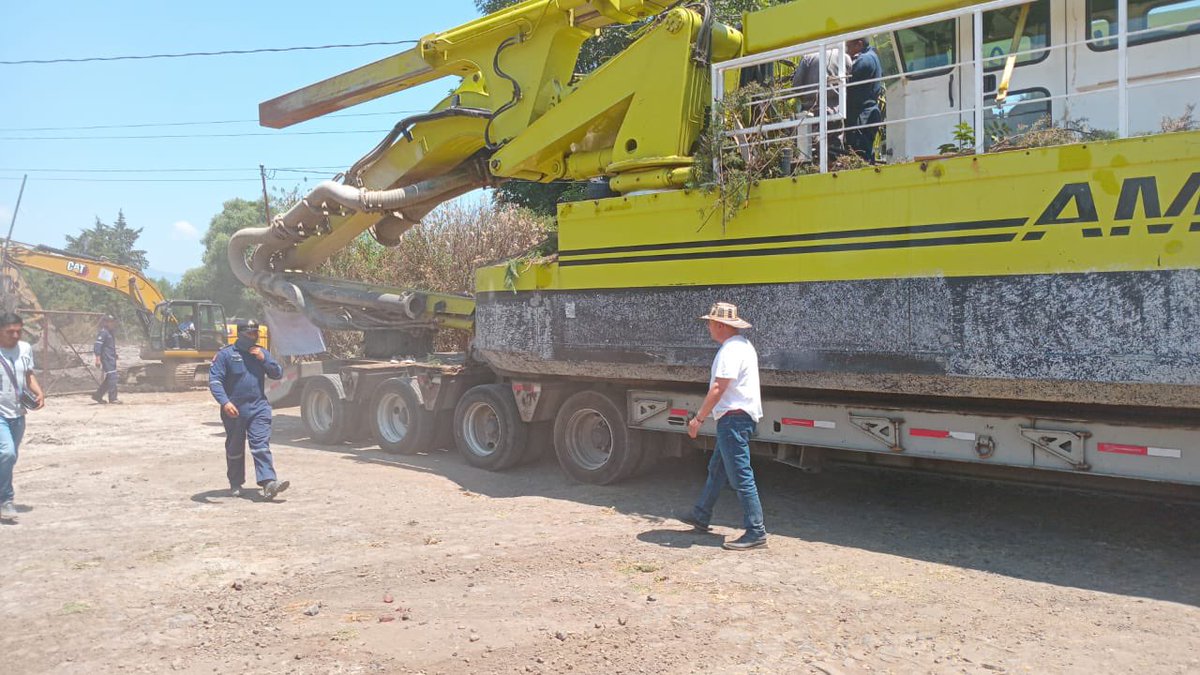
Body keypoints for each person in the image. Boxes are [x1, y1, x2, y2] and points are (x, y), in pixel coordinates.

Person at [677, 302, 767, 551]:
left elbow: (718, 388)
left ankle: (756, 531)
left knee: (741, 476)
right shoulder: (743, 346)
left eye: (710, 323)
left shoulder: (730, 350)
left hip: (733, 419)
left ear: (720, 325)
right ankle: (701, 515)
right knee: (717, 469)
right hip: (737, 418)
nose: (708, 328)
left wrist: (698, 419)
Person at [208, 320, 289, 500]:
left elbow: (278, 374)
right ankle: (236, 483)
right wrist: (225, 402)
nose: (254, 337)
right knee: (235, 447)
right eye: (250, 334)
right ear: (241, 334)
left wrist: (264, 359)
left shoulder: (260, 353)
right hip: (234, 408)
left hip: (259, 406)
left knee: (261, 445)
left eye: (255, 333)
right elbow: (215, 381)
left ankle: (268, 482)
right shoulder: (225, 355)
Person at [0, 312, 45, 522]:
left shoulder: (25, 349)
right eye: (10, 332)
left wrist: (38, 391)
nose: (15, 335)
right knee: (7, 453)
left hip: (17, 414)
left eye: (19, 331)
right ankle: (6, 500)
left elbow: (28, 375)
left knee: (10, 457)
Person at [793, 46, 853, 160]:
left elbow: (796, 85)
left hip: (812, 111)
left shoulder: (808, 56)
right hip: (837, 111)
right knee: (835, 149)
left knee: (811, 150)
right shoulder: (845, 57)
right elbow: (848, 83)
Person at [846, 37, 886, 163]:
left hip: (862, 114)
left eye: (849, 47)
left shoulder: (865, 60)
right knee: (865, 151)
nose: (848, 50)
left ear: (859, 44)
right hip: (869, 111)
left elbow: (848, 83)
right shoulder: (873, 56)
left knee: (860, 152)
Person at [91, 314, 120, 404]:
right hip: (107, 359)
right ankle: (113, 398)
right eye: (110, 322)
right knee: (113, 377)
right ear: (105, 322)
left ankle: (97, 396)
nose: (112, 324)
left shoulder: (110, 333)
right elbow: (97, 346)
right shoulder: (103, 333)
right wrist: (97, 359)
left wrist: (115, 354)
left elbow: (109, 346)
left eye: (112, 322)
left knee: (109, 378)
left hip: (111, 358)